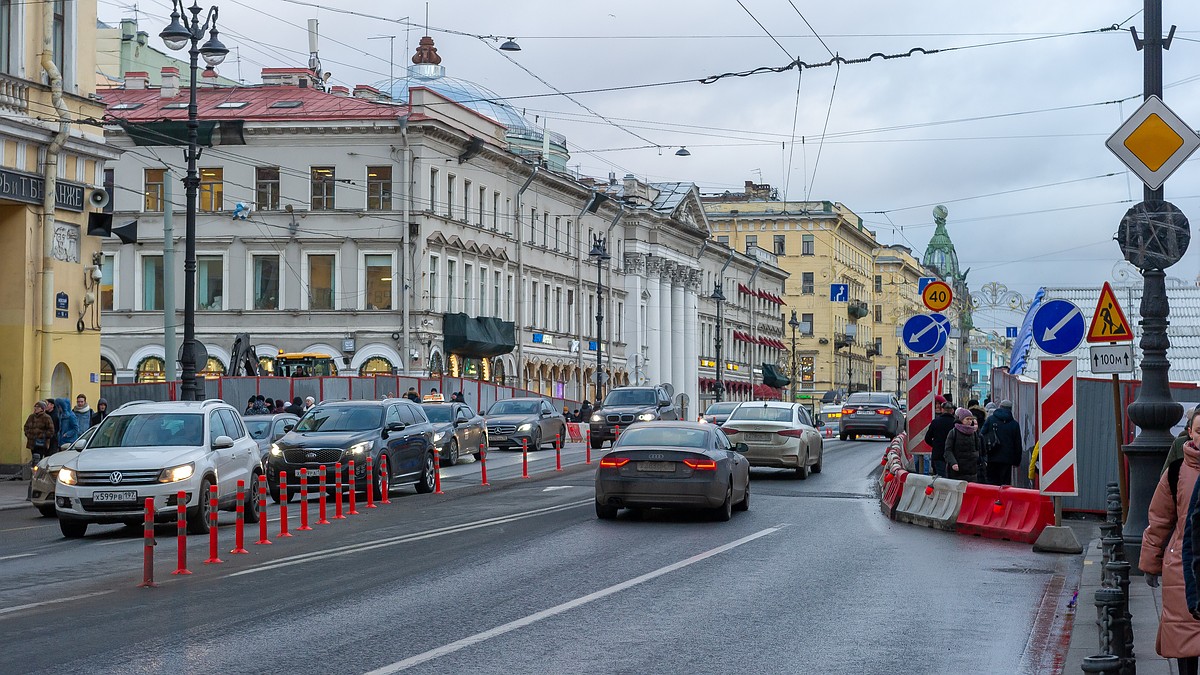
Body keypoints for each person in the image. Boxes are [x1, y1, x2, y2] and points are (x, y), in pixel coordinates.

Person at [1143, 407, 1200, 674]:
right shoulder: (1176, 472)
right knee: (1184, 643)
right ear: (1190, 433)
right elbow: (1160, 519)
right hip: (1183, 569)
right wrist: (1150, 564)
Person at [981, 400, 1022, 486]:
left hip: (991, 456)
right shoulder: (1014, 424)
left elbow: (982, 435)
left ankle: (993, 498)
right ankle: (1003, 499)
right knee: (1005, 484)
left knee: (992, 481)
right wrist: (1016, 461)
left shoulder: (990, 419)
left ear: (1000, 407)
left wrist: (983, 455)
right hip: (1007, 459)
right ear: (1011, 409)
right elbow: (1017, 444)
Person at [943, 407, 984, 482]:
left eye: (971, 419)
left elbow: (978, 448)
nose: (969, 421)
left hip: (972, 470)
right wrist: (953, 463)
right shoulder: (953, 433)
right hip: (957, 471)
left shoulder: (973, 433)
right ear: (961, 420)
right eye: (967, 419)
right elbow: (948, 450)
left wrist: (976, 457)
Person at [926, 400, 957, 477]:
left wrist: (935, 445)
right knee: (952, 477)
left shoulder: (935, 422)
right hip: (953, 455)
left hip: (938, 454)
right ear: (952, 411)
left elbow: (927, 438)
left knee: (940, 477)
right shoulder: (956, 423)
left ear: (942, 410)